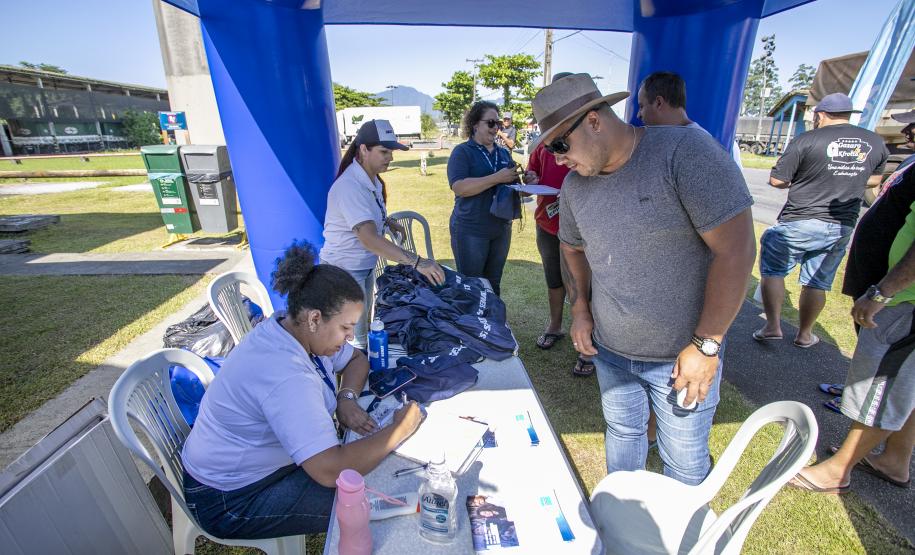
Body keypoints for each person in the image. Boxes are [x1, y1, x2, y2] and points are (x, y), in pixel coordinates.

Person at [532, 74, 755, 484]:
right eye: (550, 150)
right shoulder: (575, 187)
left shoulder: (684, 154)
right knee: (624, 434)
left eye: (560, 145)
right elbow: (572, 247)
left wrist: (706, 345)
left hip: (681, 356)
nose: (558, 158)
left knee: (684, 465)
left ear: (595, 121)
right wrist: (580, 309)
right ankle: (624, 521)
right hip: (611, 351)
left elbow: (737, 251)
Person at [181, 241, 423, 539]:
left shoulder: (293, 328)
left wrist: (345, 398)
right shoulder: (285, 374)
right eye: (346, 328)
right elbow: (329, 470)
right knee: (376, 496)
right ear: (315, 318)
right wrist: (400, 429)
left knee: (373, 473)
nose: (348, 339)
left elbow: (357, 360)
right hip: (229, 499)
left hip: (255, 471)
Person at [789, 114, 915, 493]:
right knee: (906, 386)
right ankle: (895, 459)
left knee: (881, 386)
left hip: (904, 301)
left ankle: (838, 470)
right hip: (900, 296)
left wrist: (883, 291)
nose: (908, 129)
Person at [754, 93, 888, 348]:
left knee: (773, 271)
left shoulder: (807, 139)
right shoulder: (874, 142)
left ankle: (772, 326)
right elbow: (873, 180)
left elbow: (777, 180)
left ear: (820, 114)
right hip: (841, 224)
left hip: (800, 218)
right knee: (817, 281)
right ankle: (805, 334)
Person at [321, 119, 445, 346]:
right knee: (351, 342)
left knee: (363, 332)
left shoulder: (372, 179)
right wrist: (417, 262)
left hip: (361, 269)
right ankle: (350, 381)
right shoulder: (350, 185)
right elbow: (368, 238)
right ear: (363, 150)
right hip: (345, 272)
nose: (391, 157)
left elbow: (365, 214)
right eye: (384, 151)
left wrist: (386, 221)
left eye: (392, 151)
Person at [528, 71, 595, 377]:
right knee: (554, 277)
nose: (559, 158)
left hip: (582, 229)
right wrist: (531, 181)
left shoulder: (593, 147)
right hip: (548, 221)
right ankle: (555, 325)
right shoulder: (544, 144)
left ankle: (587, 346)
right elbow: (534, 172)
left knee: (583, 285)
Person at [447, 101, 536, 295]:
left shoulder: (503, 153)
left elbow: (515, 190)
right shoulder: (462, 152)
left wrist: (529, 184)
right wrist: (497, 178)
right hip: (471, 229)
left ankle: (492, 324)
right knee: (471, 286)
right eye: (491, 123)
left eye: (498, 124)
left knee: (494, 283)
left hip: (501, 229)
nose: (496, 128)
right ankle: (472, 325)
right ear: (475, 124)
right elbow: (460, 187)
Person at [636, 71, 743, 168]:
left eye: (641, 106)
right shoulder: (688, 139)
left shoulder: (692, 148)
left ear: (659, 102)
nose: (638, 115)